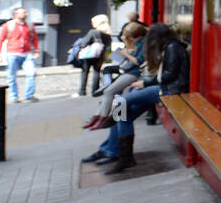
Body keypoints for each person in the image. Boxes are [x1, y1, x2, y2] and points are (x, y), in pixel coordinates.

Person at [82, 23, 189, 172]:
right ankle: (123, 157)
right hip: (165, 87)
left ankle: (107, 121)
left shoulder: (172, 47)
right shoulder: (170, 46)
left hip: (169, 90)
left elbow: (169, 75)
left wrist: (145, 82)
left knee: (122, 102)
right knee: (124, 115)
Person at [83, 21, 147, 130]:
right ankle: (100, 118)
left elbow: (138, 61)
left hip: (136, 74)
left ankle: (103, 119)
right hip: (133, 73)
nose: (131, 40)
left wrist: (126, 53)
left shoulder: (143, 44)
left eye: (132, 38)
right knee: (119, 102)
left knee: (115, 97)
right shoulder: (140, 43)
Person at [0, 6, 39, 103]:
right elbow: (0, 40)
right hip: (12, 53)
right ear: (16, 15)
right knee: (11, 76)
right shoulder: (8, 25)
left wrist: (36, 50)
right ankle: (13, 96)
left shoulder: (29, 25)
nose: (26, 14)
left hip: (27, 53)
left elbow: (35, 38)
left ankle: (29, 95)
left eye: (26, 12)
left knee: (31, 73)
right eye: (23, 12)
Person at [73, 14, 113, 98]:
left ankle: (82, 91)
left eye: (93, 22)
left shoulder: (93, 32)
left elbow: (84, 42)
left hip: (89, 55)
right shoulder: (108, 34)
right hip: (100, 55)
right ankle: (95, 90)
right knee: (97, 72)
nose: (92, 24)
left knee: (85, 72)